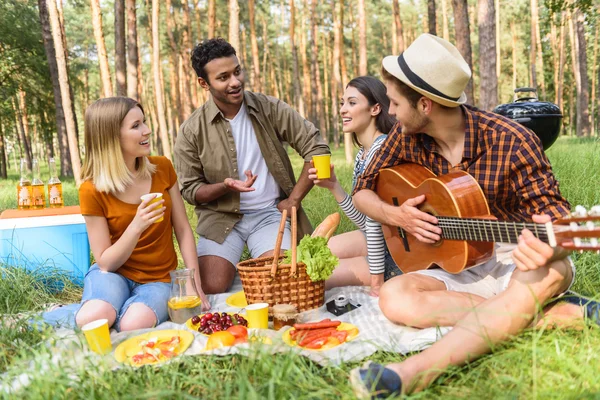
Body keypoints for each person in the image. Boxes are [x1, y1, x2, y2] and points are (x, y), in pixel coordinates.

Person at [347, 34, 597, 397]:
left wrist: (551, 249)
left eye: (396, 103)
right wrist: (396, 215)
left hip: (517, 255)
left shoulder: (511, 140)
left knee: (550, 270)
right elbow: (364, 190)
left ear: (426, 104)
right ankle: (543, 316)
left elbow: (555, 222)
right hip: (460, 264)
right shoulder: (406, 137)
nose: (391, 112)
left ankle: (409, 374)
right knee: (394, 296)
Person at [174, 38, 330, 294]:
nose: (235, 82)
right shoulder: (191, 130)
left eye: (237, 71)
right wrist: (225, 186)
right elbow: (190, 191)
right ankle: (241, 265)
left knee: (281, 283)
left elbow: (316, 147)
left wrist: (293, 200)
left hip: (269, 215)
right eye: (223, 77)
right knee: (212, 286)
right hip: (220, 218)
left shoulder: (269, 108)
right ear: (204, 83)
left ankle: (254, 264)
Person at [44, 97, 210, 332]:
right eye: (136, 126)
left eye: (144, 122)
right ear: (111, 137)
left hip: (159, 279)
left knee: (133, 324)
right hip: (114, 274)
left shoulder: (162, 168)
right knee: (94, 317)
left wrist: (194, 284)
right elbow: (106, 262)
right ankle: (71, 312)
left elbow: (183, 230)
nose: (147, 130)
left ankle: (101, 310)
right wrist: (137, 225)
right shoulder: (91, 190)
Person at [308, 76, 400, 296]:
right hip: (380, 239)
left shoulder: (381, 151)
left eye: (352, 102)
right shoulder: (363, 154)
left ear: (375, 108)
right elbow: (365, 220)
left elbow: (375, 222)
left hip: (397, 251)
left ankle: (388, 275)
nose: (342, 110)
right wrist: (334, 186)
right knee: (313, 255)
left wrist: (377, 280)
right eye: (342, 103)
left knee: (315, 274)